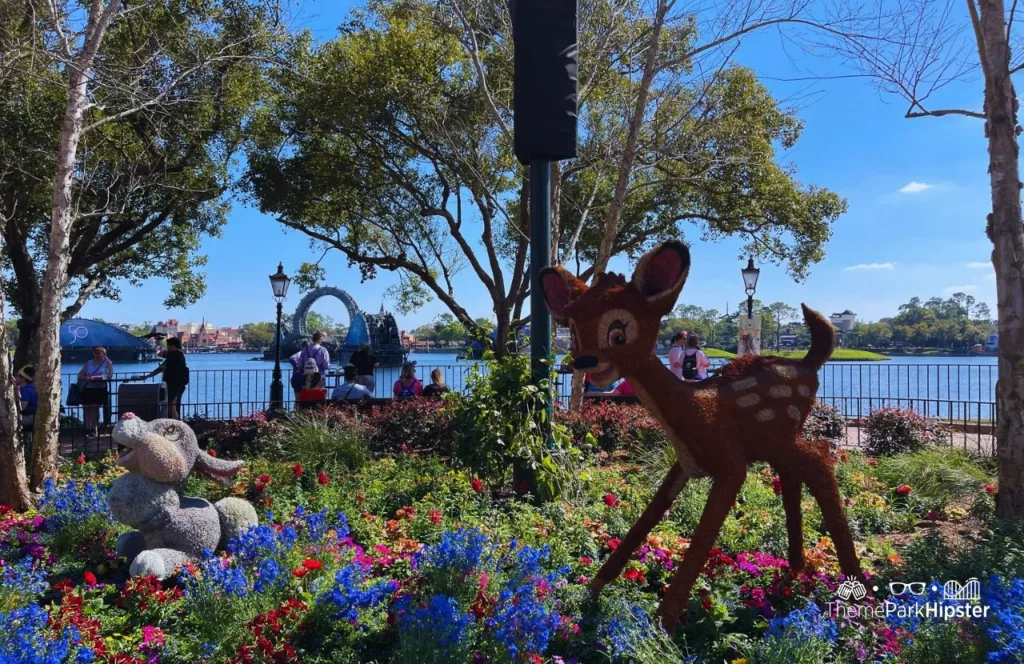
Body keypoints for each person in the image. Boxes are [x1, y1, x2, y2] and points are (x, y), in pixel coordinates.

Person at [141, 337, 188, 419]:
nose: (167, 347)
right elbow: (162, 365)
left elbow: (160, 360)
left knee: (171, 405)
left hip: (175, 385)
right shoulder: (178, 355)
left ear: (173, 345)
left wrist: (148, 376)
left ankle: (176, 423)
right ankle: (175, 422)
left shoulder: (175, 355)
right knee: (173, 405)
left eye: (168, 345)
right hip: (175, 384)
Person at [78, 347, 113, 438]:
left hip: (99, 389)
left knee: (94, 408)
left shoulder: (107, 363)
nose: (96, 354)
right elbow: (81, 374)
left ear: (103, 354)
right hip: (87, 389)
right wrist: (86, 378)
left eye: (98, 353)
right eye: (94, 353)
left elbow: (109, 375)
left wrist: (96, 378)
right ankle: (87, 428)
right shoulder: (89, 363)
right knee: (86, 408)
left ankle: (94, 429)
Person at [289, 331, 330, 396]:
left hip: (306, 377)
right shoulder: (323, 350)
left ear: (312, 339)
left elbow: (300, 365)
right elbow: (326, 366)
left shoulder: (305, 349)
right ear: (320, 339)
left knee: (306, 395)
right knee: (318, 395)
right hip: (318, 376)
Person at [16, 365, 36, 430]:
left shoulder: (25, 390)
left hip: (29, 417)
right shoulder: (32, 386)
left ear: (23, 378)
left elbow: (22, 408)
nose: (15, 377)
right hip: (33, 416)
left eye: (17, 376)